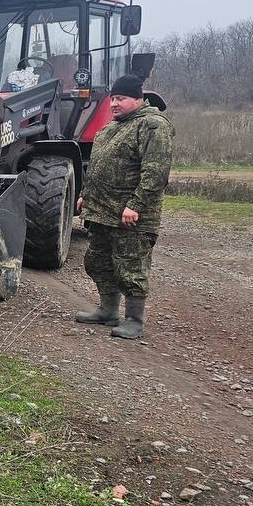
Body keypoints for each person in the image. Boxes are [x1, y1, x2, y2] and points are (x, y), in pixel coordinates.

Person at [74, 74, 174, 340]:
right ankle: (107, 310)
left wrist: (136, 205)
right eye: (113, 98)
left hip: (131, 215)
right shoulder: (110, 128)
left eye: (122, 98)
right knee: (98, 261)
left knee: (131, 267)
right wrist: (86, 195)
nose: (115, 103)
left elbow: (155, 173)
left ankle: (134, 320)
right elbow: (96, 168)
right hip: (102, 213)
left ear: (138, 99)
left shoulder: (152, 126)